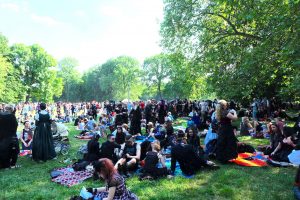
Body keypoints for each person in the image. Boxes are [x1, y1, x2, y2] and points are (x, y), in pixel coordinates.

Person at [0, 104, 20, 169]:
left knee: (4, 151)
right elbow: (15, 126)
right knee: (14, 151)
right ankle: (12, 165)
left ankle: (5, 165)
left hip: (3, 137)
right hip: (12, 137)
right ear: (11, 110)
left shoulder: (1, 116)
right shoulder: (12, 116)